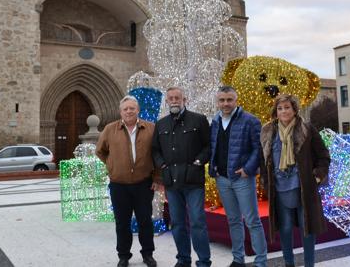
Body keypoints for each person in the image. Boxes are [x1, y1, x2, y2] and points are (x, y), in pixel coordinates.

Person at [260, 94, 330, 267]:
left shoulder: (307, 129)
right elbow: (264, 160)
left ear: (294, 109)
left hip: (303, 188)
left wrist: (317, 175)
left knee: (307, 230)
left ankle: (309, 264)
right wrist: (265, 181)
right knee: (285, 229)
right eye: (280, 108)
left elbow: (323, 156)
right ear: (276, 111)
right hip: (279, 188)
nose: (283, 111)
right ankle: (288, 263)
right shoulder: (268, 131)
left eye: (287, 107)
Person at [151, 87, 212, 267]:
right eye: (171, 98)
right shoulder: (161, 124)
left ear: (185, 99)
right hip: (172, 182)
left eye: (178, 97)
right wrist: (161, 164)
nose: (174, 100)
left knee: (197, 222)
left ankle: (203, 261)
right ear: (167, 101)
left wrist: (200, 161)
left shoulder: (198, 120)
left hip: (193, 182)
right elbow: (155, 150)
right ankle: (183, 259)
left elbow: (208, 146)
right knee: (177, 224)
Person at [96, 95, 158, 267]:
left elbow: (158, 154)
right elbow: (100, 151)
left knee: (145, 221)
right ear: (120, 112)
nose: (129, 111)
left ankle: (148, 254)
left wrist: (157, 178)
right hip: (119, 185)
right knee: (122, 223)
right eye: (126, 109)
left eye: (132, 108)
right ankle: (123, 255)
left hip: (143, 183)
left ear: (138, 110)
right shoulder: (110, 129)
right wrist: (113, 166)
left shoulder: (151, 128)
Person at [208, 86, 268, 267]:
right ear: (217, 102)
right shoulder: (216, 121)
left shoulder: (250, 120)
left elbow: (259, 148)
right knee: (233, 221)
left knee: (252, 221)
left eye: (229, 100)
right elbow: (213, 147)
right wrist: (214, 169)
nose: (225, 104)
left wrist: (248, 170)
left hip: (242, 179)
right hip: (223, 179)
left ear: (236, 100)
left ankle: (261, 262)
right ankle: (238, 259)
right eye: (222, 100)